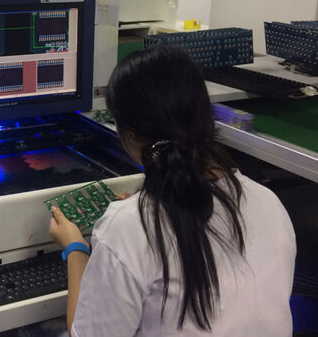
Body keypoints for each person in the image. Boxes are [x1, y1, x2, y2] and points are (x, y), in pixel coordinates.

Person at [49, 46, 296, 337]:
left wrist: (75, 248)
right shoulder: (268, 202)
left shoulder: (129, 228)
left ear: (128, 135)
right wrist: (134, 218)